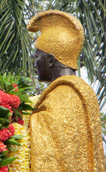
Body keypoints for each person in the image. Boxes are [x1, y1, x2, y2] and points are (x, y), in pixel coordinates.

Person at [28, 10, 105, 171]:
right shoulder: (83, 92)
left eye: (37, 57)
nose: (34, 64)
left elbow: (40, 138)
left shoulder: (63, 94)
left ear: (50, 60)